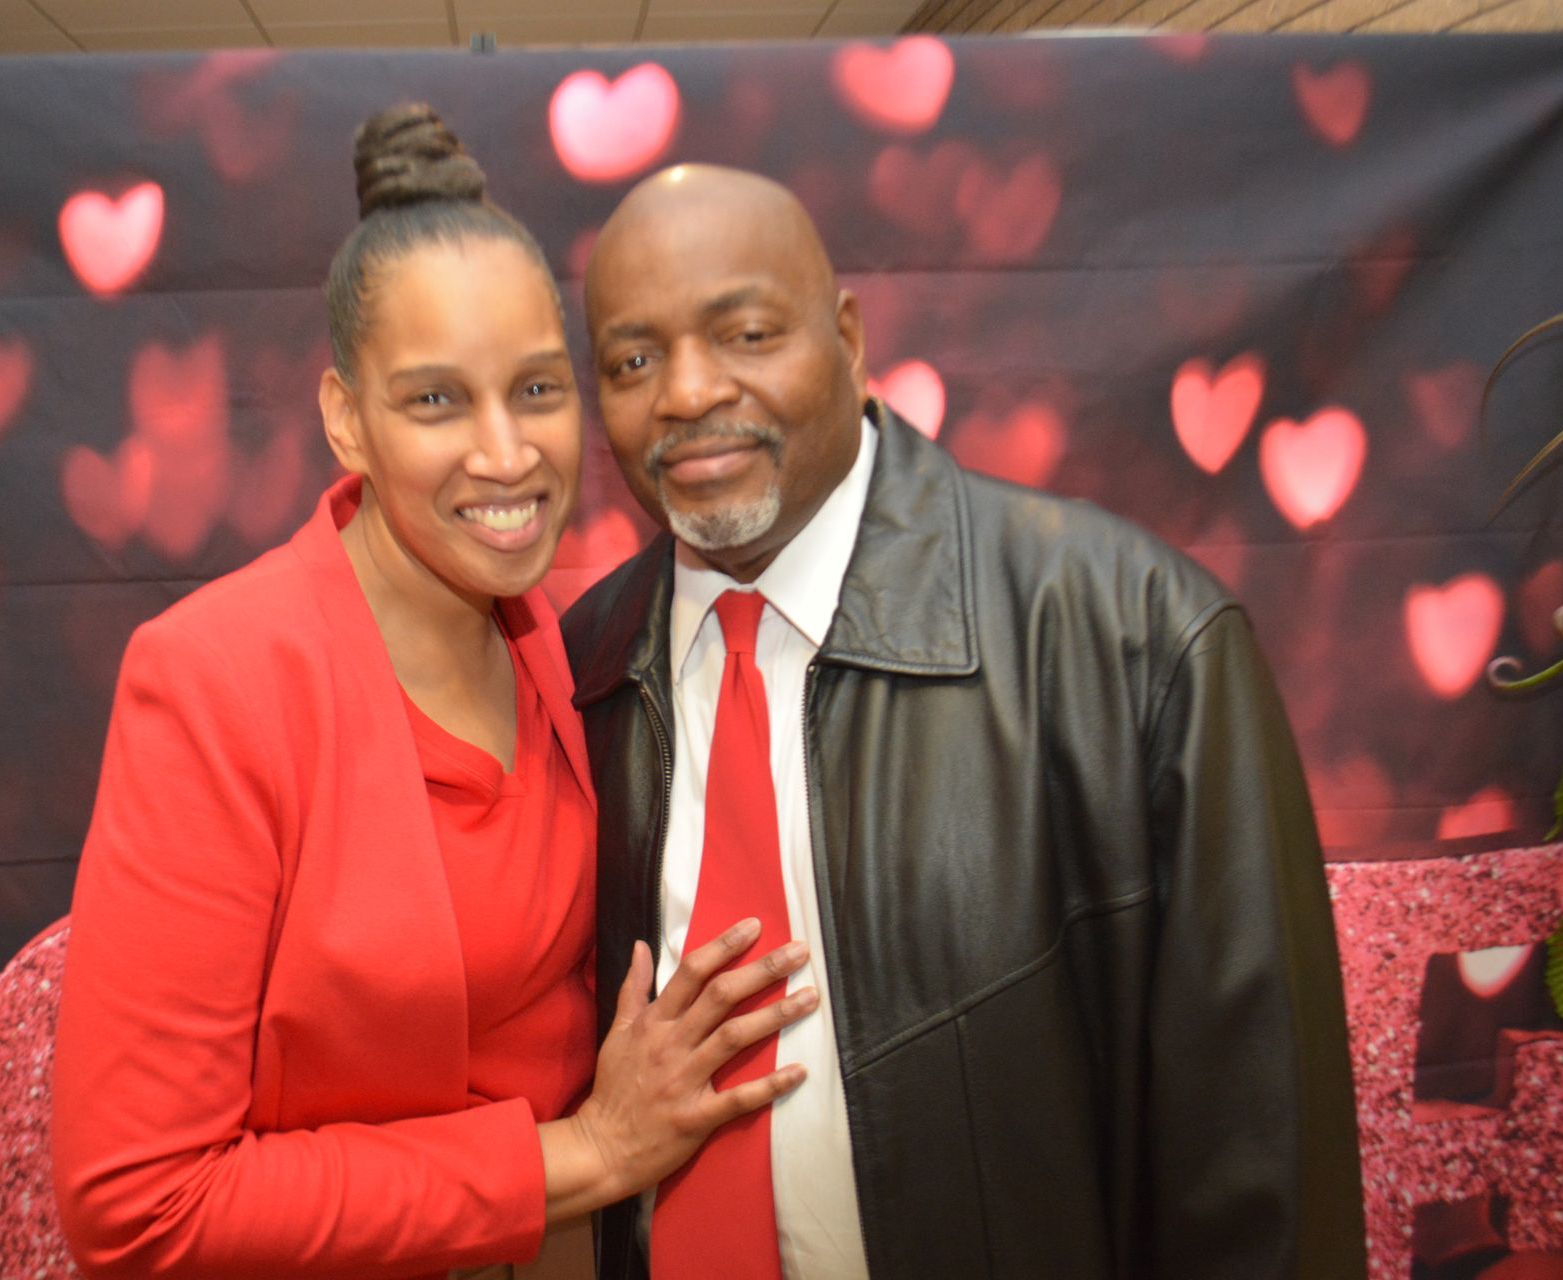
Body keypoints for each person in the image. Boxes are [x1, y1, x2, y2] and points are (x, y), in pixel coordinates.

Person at [561, 164, 1368, 1279]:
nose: (688, 391)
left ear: (848, 339)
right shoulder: (579, 671)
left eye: (745, 334)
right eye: (633, 361)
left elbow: (1259, 1157)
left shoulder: (1130, 636)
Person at [50, 111, 818, 1280]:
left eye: (537, 387)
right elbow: (136, 1200)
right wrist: (587, 1152)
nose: (508, 453)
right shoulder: (216, 679)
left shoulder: (569, 642)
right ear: (345, 418)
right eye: (435, 402)